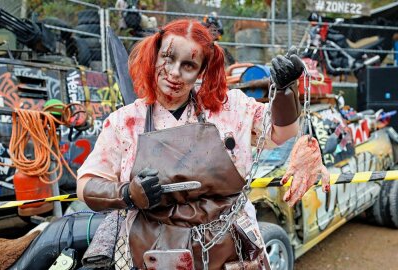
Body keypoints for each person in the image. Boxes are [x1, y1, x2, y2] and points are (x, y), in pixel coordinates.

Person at [77, 19, 304, 269]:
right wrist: (128, 194)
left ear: (201, 71)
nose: (174, 72)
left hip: (230, 249)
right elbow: (87, 184)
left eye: (188, 65)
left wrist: (284, 91)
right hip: (152, 252)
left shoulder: (231, 109)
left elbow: (282, 133)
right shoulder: (125, 122)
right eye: (168, 58)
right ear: (154, 56)